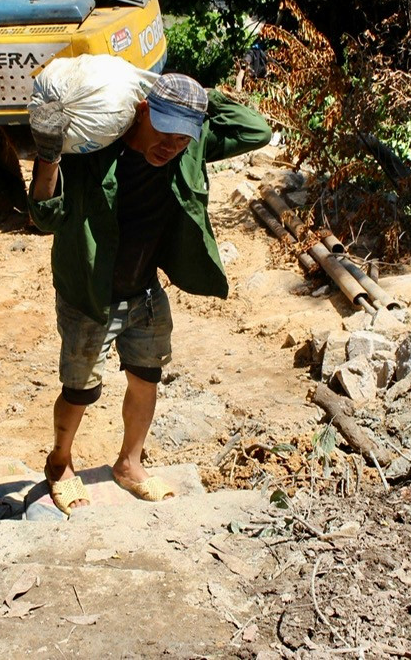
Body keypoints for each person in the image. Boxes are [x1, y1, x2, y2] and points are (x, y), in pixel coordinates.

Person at [27, 73, 272, 515]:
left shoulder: (189, 146)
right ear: (141, 111)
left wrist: (195, 98)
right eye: (165, 131)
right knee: (80, 389)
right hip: (90, 293)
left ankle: (129, 463)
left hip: (144, 290)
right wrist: (47, 157)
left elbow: (257, 130)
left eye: (184, 138)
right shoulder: (93, 151)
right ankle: (60, 462)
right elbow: (44, 218)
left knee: (146, 377)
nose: (173, 146)